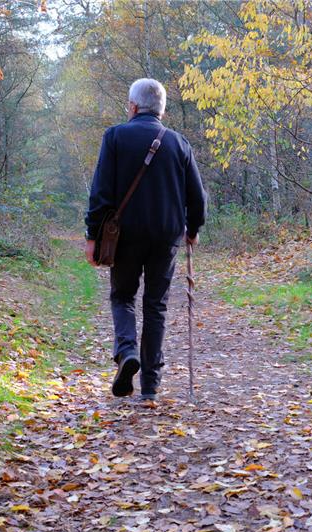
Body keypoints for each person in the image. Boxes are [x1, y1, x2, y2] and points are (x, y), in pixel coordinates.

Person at [84, 78, 206, 400]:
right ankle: (150, 386)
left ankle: (127, 353)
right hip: (165, 237)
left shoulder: (115, 137)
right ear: (162, 110)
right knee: (156, 306)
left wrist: (92, 236)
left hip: (124, 236)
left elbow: (100, 194)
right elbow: (198, 198)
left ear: (133, 106)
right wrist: (192, 230)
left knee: (122, 297)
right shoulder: (179, 143)